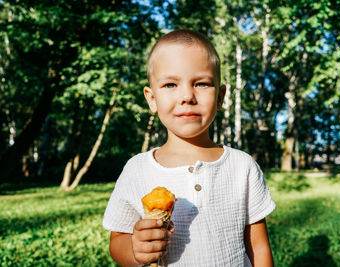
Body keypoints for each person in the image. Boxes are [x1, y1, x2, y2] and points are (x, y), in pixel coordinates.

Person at [102, 29, 276, 266]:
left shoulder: (242, 166)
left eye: (202, 83)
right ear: (152, 99)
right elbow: (118, 240)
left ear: (221, 97)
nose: (187, 96)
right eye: (171, 84)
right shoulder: (137, 169)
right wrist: (135, 250)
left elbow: (258, 246)